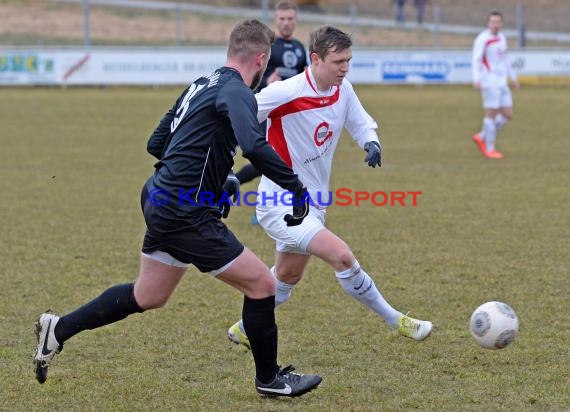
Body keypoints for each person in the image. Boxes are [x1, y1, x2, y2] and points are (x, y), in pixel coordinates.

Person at [33, 19, 322, 398]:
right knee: (262, 284)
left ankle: (58, 329)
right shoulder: (238, 91)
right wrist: (296, 188)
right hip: (184, 211)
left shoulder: (201, 85)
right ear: (262, 58)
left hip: (158, 196)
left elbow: (157, 143)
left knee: (149, 294)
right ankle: (270, 380)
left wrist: (218, 178)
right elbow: (253, 145)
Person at [227, 26, 433, 352]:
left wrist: (371, 142)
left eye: (348, 60)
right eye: (338, 61)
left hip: (315, 201)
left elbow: (359, 121)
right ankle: (398, 320)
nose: (345, 67)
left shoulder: (343, 89)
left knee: (286, 277)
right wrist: (228, 169)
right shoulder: (287, 92)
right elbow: (236, 113)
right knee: (342, 257)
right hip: (279, 201)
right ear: (316, 59)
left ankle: (243, 329)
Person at [234, 0, 308, 224]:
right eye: (282, 19)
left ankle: (261, 202)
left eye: (290, 19)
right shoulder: (266, 46)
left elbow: (303, 78)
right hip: (268, 113)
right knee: (267, 162)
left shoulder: (298, 47)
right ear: (275, 20)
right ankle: (236, 189)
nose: (286, 23)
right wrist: (267, 81)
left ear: (295, 20)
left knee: (281, 162)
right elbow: (248, 77)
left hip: (291, 116)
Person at [471, 11, 520, 160]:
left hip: (502, 81)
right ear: (488, 23)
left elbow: (505, 59)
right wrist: (477, 78)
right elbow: (476, 59)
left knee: (507, 114)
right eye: (493, 22)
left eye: (498, 22)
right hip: (489, 81)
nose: (495, 24)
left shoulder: (502, 38)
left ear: (501, 24)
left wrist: (513, 77)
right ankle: (490, 148)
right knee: (490, 114)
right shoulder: (482, 39)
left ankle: (482, 136)